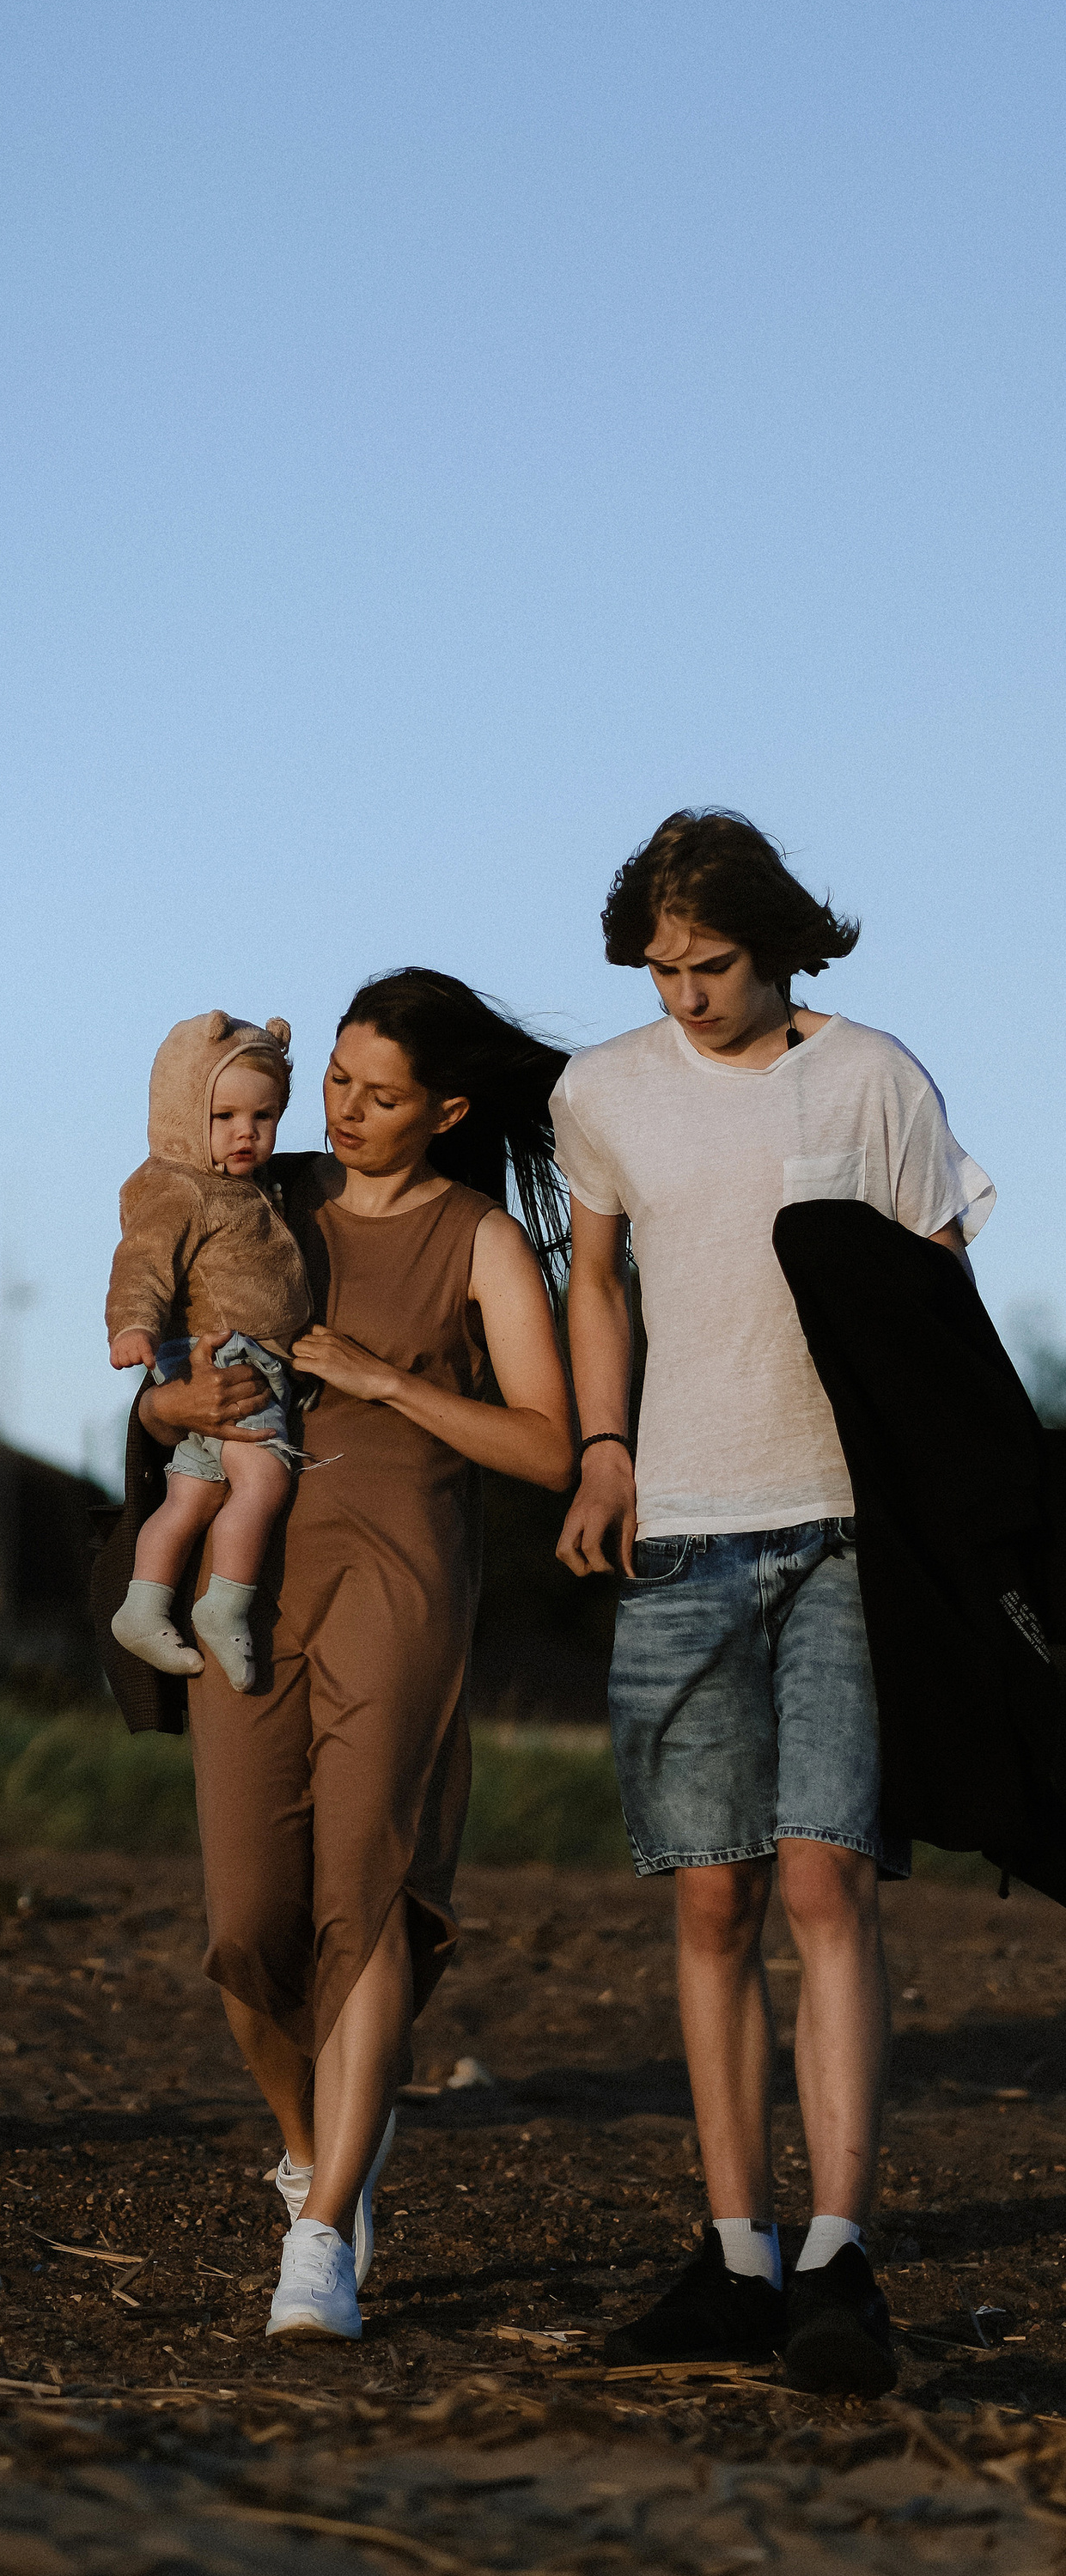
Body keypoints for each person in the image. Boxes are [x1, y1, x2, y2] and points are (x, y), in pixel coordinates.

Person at [552, 810, 993, 2398]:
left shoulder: (874, 1076)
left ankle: (839, 2255)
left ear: (779, 941)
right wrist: (602, 1450)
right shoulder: (601, 1092)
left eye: (711, 963)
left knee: (826, 1889)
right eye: (660, 967)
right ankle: (737, 2251)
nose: (683, 993)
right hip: (679, 1529)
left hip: (844, 1535)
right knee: (710, 1897)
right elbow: (592, 1279)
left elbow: (939, 1303)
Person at [133, 973, 575, 2346]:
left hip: (403, 1575)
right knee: (245, 1926)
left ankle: (322, 2227)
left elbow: (549, 1447)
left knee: (365, 1894)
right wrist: (171, 1398)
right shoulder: (272, 1189)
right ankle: (315, 2147)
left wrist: (383, 1379)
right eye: (334, 1080)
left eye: (378, 1095)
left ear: (446, 1109)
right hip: (246, 1585)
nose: (343, 1110)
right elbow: (155, 1363)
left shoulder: (481, 1239)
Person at [106, 1013, 314, 1690]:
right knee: (266, 1479)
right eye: (223, 1115)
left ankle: (142, 1606)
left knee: (192, 1498)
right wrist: (130, 1328)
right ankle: (224, 1605)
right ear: (182, 1110)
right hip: (225, 1356)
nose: (246, 1133)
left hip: (237, 1355)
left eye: (265, 1115)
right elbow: (141, 1263)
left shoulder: (242, 1186)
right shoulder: (178, 1184)